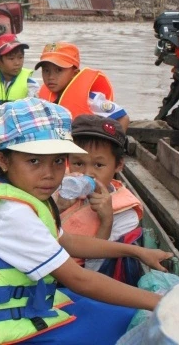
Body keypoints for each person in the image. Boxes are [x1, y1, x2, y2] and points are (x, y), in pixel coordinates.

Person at [0, 98, 173, 345]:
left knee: (115, 310)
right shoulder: (9, 213)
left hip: (3, 314)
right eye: (34, 161)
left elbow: (66, 241)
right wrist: (165, 304)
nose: (49, 174)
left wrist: (136, 251)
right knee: (132, 320)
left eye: (58, 161)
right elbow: (79, 280)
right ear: (3, 159)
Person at [58, 114, 142, 276]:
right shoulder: (59, 186)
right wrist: (57, 207)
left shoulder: (125, 215)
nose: (87, 173)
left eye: (99, 165)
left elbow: (96, 271)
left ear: (118, 166)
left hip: (75, 280)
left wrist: (106, 223)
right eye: (78, 163)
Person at [36, 41, 130, 132]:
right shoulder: (41, 98)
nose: (51, 77)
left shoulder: (91, 99)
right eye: (46, 70)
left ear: (75, 73)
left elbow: (123, 118)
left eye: (59, 70)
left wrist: (113, 145)